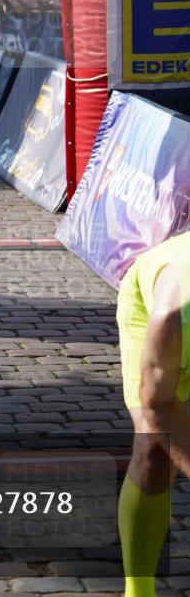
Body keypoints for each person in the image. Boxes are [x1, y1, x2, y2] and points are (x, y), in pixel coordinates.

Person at [116, 232, 190, 597]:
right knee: (154, 452)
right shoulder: (174, 315)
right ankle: (139, 589)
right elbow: (156, 406)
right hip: (148, 306)